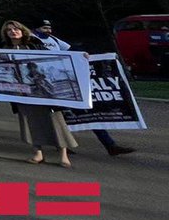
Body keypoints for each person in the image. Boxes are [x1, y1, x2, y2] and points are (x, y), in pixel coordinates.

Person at [31, 20, 135, 157]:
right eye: (45, 27)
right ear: (37, 28)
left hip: (66, 79)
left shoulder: (54, 39)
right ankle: (61, 145)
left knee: (87, 111)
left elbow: (70, 49)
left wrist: (83, 54)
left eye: (49, 27)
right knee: (58, 117)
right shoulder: (32, 40)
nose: (48, 30)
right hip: (49, 84)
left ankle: (110, 145)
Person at [0, 20, 76, 167]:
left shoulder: (35, 44)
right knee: (30, 122)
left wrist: (82, 56)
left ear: (22, 30)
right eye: (9, 30)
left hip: (43, 90)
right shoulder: (3, 48)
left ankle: (63, 154)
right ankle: (38, 153)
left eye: (15, 29)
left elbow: (53, 59)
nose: (13, 32)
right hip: (20, 92)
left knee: (55, 120)